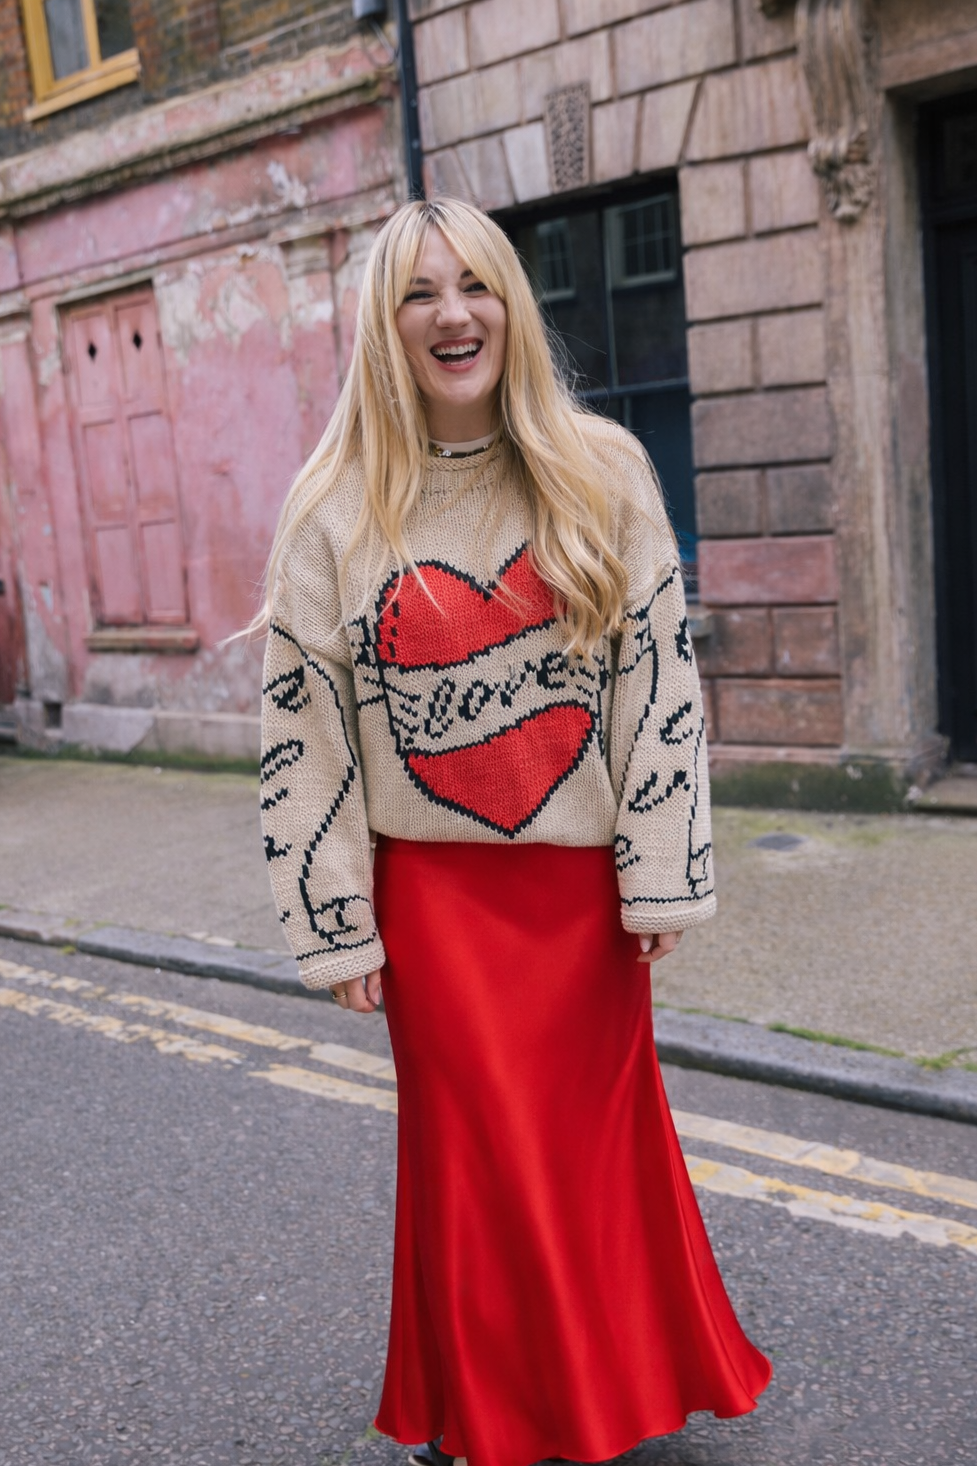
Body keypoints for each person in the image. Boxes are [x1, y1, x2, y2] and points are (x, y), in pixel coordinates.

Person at [256, 197, 771, 1466]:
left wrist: (660, 875)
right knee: (475, 1162)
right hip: (431, 899)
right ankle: (485, 1415)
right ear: (386, 326)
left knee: (594, 1158)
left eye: (475, 285)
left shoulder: (602, 470)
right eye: (420, 292)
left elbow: (658, 682)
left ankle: (600, 1395)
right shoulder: (330, 507)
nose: (452, 313)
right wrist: (334, 921)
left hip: (582, 900)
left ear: (510, 308)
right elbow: (302, 727)